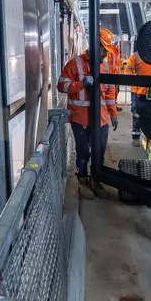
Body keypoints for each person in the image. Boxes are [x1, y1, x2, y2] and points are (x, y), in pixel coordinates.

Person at [57, 29, 119, 199]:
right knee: (83, 152)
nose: (106, 54)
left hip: (101, 119)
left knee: (99, 151)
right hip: (80, 118)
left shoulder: (105, 66)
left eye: (107, 51)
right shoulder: (74, 64)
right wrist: (81, 84)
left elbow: (109, 93)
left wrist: (113, 114)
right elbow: (61, 86)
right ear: (95, 45)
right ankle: (82, 182)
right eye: (104, 50)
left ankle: (95, 181)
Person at [123, 50, 151, 147]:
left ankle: (149, 136)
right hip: (137, 90)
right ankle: (136, 137)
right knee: (137, 114)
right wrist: (133, 77)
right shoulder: (136, 56)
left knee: (150, 114)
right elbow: (128, 70)